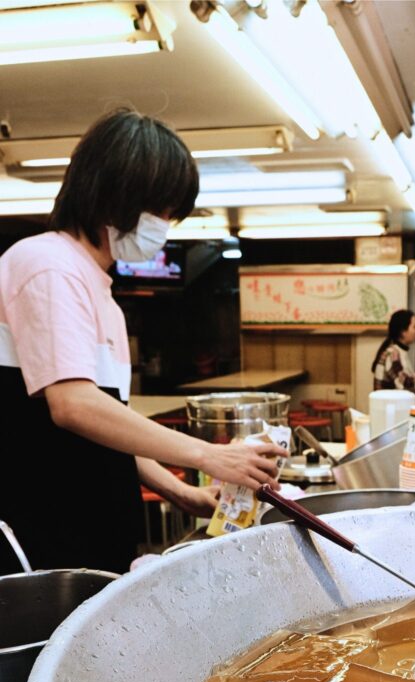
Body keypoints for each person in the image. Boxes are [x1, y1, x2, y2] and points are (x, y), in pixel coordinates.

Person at [0, 109, 282, 576]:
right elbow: (74, 406)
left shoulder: (101, 292)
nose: (165, 224)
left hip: (90, 532)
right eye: (161, 210)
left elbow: (108, 427)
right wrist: (210, 455)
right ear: (114, 195)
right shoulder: (48, 265)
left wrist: (181, 491)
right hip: (41, 537)